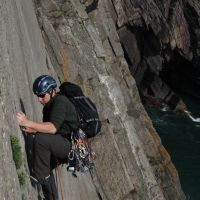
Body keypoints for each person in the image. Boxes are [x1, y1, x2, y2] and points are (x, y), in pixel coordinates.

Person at [16, 75, 78, 200]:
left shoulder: (61, 102)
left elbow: (52, 128)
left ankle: (41, 179)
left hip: (70, 145)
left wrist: (27, 122)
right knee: (45, 165)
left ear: (52, 91)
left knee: (40, 141)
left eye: (42, 95)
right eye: (37, 96)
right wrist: (33, 130)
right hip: (61, 142)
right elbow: (47, 129)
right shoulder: (48, 107)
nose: (39, 99)